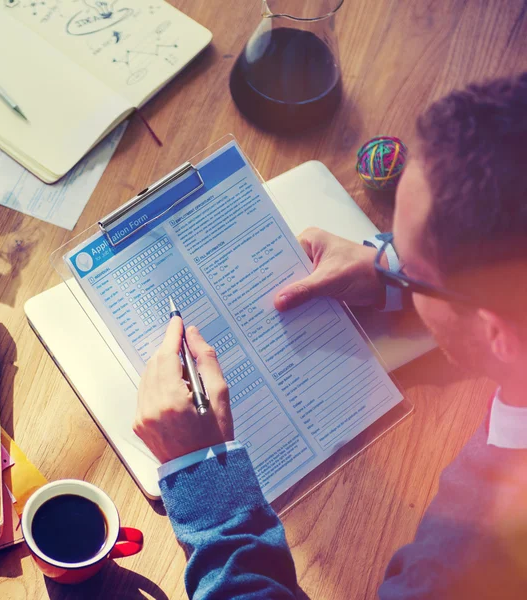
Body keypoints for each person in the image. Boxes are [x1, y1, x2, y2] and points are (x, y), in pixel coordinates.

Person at [133, 73, 527, 599]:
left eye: (409, 267)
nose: (390, 260)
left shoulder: (465, 565)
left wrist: (203, 474)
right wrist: (388, 267)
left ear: (497, 334)